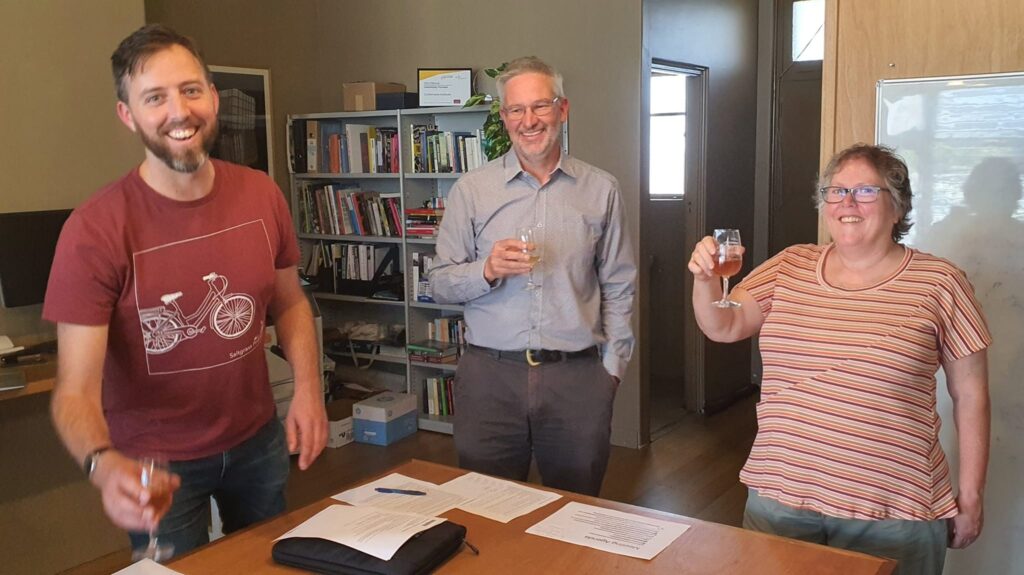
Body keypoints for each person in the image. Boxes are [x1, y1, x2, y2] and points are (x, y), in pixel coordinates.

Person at [43, 24, 327, 559]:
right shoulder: (94, 230)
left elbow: (288, 301)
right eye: (155, 97)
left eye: (191, 90)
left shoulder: (261, 194)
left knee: (270, 563)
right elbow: (74, 388)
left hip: (257, 440)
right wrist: (102, 464)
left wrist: (310, 390)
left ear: (213, 96)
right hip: (158, 463)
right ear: (128, 115)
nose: (180, 111)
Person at [688, 144, 991, 574]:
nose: (847, 203)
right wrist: (703, 281)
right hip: (780, 503)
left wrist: (971, 497)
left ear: (897, 205)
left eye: (866, 191)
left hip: (895, 512)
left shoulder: (940, 282)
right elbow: (724, 326)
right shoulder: (789, 265)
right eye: (835, 191)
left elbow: (972, 395)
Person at [429, 56, 636, 496]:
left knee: (577, 511)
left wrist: (611, 371)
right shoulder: (471, 190)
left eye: (540, 107)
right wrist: (485, 270)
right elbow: (439, 281)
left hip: (576, 380)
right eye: (516, 110)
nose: (529, 121)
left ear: (563, 109)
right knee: (487, 510)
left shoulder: (602, 190)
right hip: (489, 379)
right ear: (504, 118)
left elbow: (619, 284)